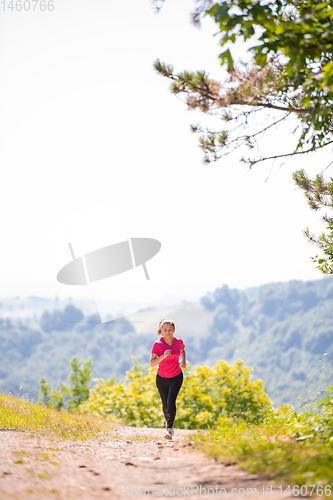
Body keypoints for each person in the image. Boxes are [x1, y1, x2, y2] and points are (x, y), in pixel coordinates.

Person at [150, 318, 186, 440]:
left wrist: (183, 361)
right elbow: (152, 363)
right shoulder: (157, 344)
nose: (167, 332)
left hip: (176, 376)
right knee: (165, 404)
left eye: (170, 330)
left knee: (171, 401)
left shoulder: (178, 341)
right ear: (161, 330)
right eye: (164, 330)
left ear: (174, 330)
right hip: (162, 378)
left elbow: (182, 350)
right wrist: (163, 356)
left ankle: (169, 429)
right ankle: (168, 425)